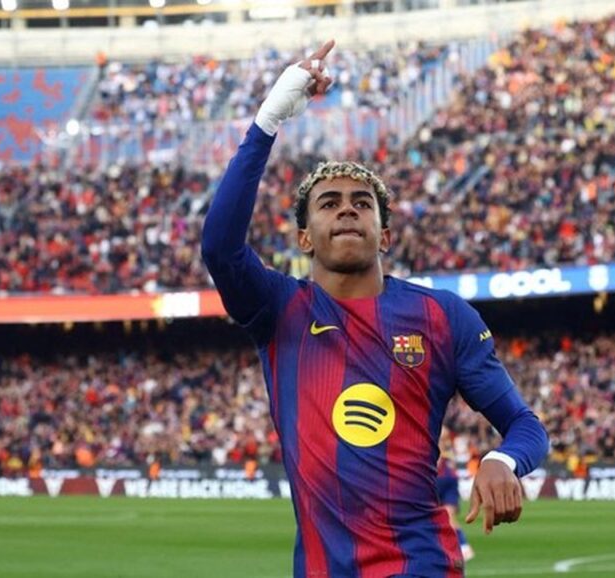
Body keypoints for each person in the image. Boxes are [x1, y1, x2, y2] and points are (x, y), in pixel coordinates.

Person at [202, 40, 548, 577]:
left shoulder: (443, 317)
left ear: (384, 235)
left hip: (421, 565)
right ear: (305, 238)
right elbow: (220, 248)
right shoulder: (279, 309)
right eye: (329, 203)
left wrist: (504, 459)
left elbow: (526, 425)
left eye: (362, 203)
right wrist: (268, 119)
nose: (347, 210)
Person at [437, 428, 474, 562]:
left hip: (444, 478)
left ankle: (462, 546)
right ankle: (461, 546)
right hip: (440, 477)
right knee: (446, 516)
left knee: (448, 515)